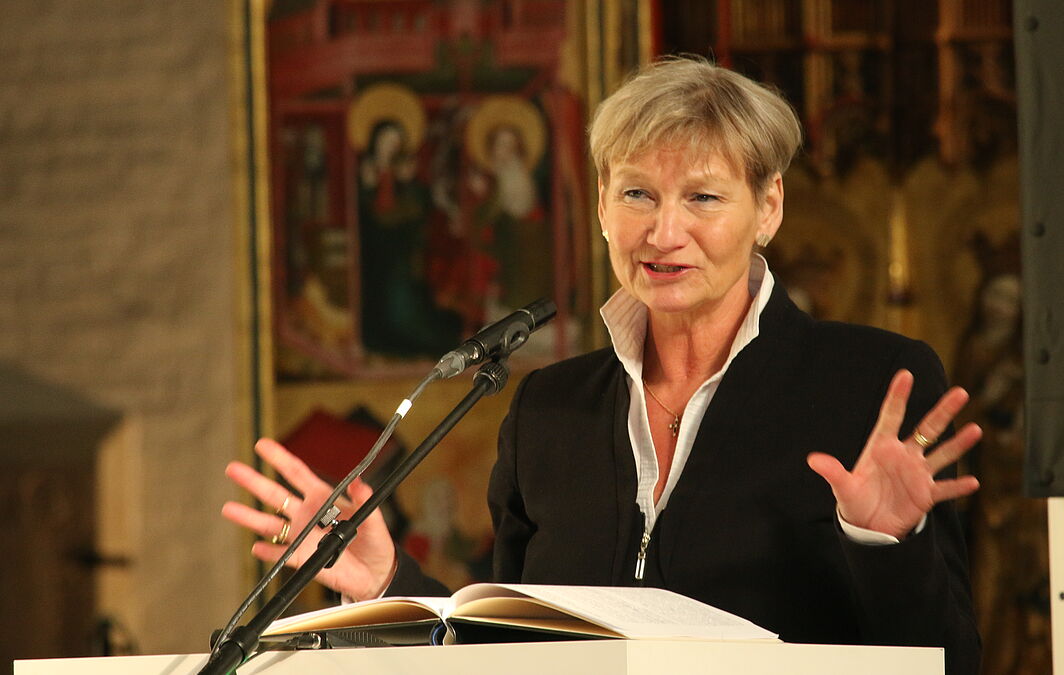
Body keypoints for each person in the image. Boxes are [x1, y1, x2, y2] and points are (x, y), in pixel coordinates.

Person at [223, 57, 982, 673]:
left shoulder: (869, 386)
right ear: (599, 204)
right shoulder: (550, 411)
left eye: (704, 197)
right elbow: (502, 656)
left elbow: (949, 660)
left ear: (769, 207)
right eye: (637, 193)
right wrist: (390, 587)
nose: (664, 230)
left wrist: (885, 547)